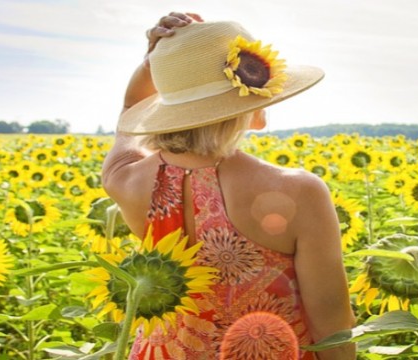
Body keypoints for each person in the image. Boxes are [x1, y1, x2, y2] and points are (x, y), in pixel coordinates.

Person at [102, 11, 355, 360]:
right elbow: (332, 323)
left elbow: (129, 114)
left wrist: (153, 63)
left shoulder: (126, 179)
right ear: (252, 101)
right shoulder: (299, 192)